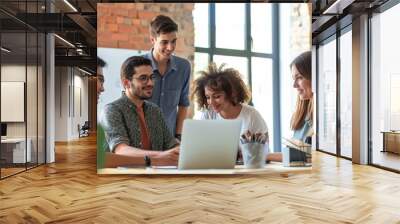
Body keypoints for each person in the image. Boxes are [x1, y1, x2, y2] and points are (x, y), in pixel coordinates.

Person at [101, 56, 180, 167]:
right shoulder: (112, 110)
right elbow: (120, 149)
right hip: (125, 177)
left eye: (152, 77)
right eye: (143, 78)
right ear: (126, 83)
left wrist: (182, 151)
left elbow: (171, 143)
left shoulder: (155, 110)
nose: (150, 83)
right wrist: (161, 156)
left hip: (155, 175)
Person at [192, 62, 269, 143]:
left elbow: (264, 149)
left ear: (231, 94)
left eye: (217, 96)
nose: (211, 102)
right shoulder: (208, 115)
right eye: (208, 97)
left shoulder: (251, 115)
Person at [142, 15, 191, 139]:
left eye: (173, 41)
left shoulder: (184, 67)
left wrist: (178, 136)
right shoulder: (137, 65)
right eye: (164, 42)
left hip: (169, 140)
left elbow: (183, 104)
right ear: (153, 40)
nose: (170, 47)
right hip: (141, 138)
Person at [268, 51, 313, 162]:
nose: (294, 85)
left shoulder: (325, 118)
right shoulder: (302, 115)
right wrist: (262, 155)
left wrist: (265, 156)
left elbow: (308, 156)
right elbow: (294, 154)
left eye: (299, 77)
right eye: (294, 79)